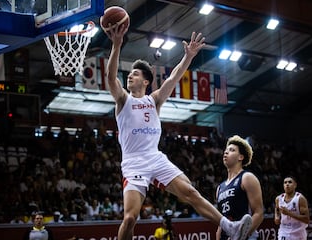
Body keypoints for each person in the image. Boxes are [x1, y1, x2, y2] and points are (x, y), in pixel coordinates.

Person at [103, 22, 252, 240]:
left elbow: (173, 77)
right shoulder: (123, 100)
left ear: (145, 81)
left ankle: (231, 228)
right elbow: (110, 77)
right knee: (129, 218)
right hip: (133, 162)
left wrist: (189, 56)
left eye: (135, 74)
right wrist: (116, 45)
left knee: (191, 192)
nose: (130, 76)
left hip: (155, 158)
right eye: (129, 74)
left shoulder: (154, 100)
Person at [215, 135, 264, 240]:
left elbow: (259, 213)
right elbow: (220, 222)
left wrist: (242, 236)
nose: (226, 152)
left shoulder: (247, 178)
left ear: (240, 157)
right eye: (226, 150)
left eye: (232, 150)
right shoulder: (220, 187)